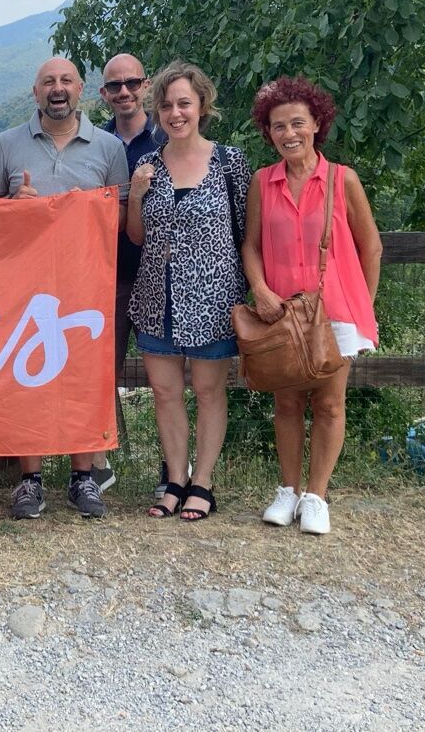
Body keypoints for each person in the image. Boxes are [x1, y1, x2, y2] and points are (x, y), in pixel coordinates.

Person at [0, 56, 129, 520]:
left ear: (81, 89)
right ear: (35, 91)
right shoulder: (6, 144)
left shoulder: (108, 148)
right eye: (49, 81)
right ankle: (30, 481)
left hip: (86, 282)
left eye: (66, 80)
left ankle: (83, 477)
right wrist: (14, 208)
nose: (58, 88)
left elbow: (121, 218)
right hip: (23, 285)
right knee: (25, 374)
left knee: (82, 376)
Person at [243, 76, 382, 535]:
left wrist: (363, 306)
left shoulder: (344, 179)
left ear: (316, 123)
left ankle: (317, 496)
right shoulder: (263, 182)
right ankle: (287, 489)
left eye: (297, 123)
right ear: (269, 132)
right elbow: (251, 246)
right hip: (281, 312)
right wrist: (260, 288)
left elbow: (371, 248)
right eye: (278, 126)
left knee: (329, 404)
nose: (288, 134)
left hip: (336, 311)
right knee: (286, 401)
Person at [126, 60, 250, 522]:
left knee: (209, 390)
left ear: (201, 106)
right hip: (156, 297)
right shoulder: (147, 166)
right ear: (157, 112)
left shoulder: (230, 161)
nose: (175, 113)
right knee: (164, 391)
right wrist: (136, 195)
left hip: (215, 297)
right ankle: (175, 480)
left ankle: (204, 483)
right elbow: (136, 236)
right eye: (167, 105)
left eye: (184, 103)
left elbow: (246, 233)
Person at [96, 52, 167, 496]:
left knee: (167, 378)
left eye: (132, 83)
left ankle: (171, 467)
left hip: (163, 276)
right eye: (114, 85)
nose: (124, 91)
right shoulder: (96, 144)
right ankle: (97, 463)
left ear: (145, 86)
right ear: (103, 94)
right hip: (109, 276)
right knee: (100, 373)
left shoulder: (168, 138)